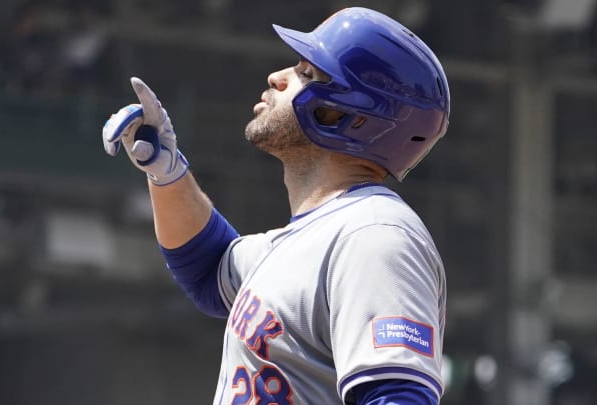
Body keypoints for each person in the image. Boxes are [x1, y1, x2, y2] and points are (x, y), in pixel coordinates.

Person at [102, 7, 449, 405]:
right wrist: (167, 174)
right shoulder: (307, 237)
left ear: (347, 116)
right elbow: (209, 269)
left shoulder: (373, 237)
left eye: (305, 72)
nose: (277, 77)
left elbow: (397, 397)